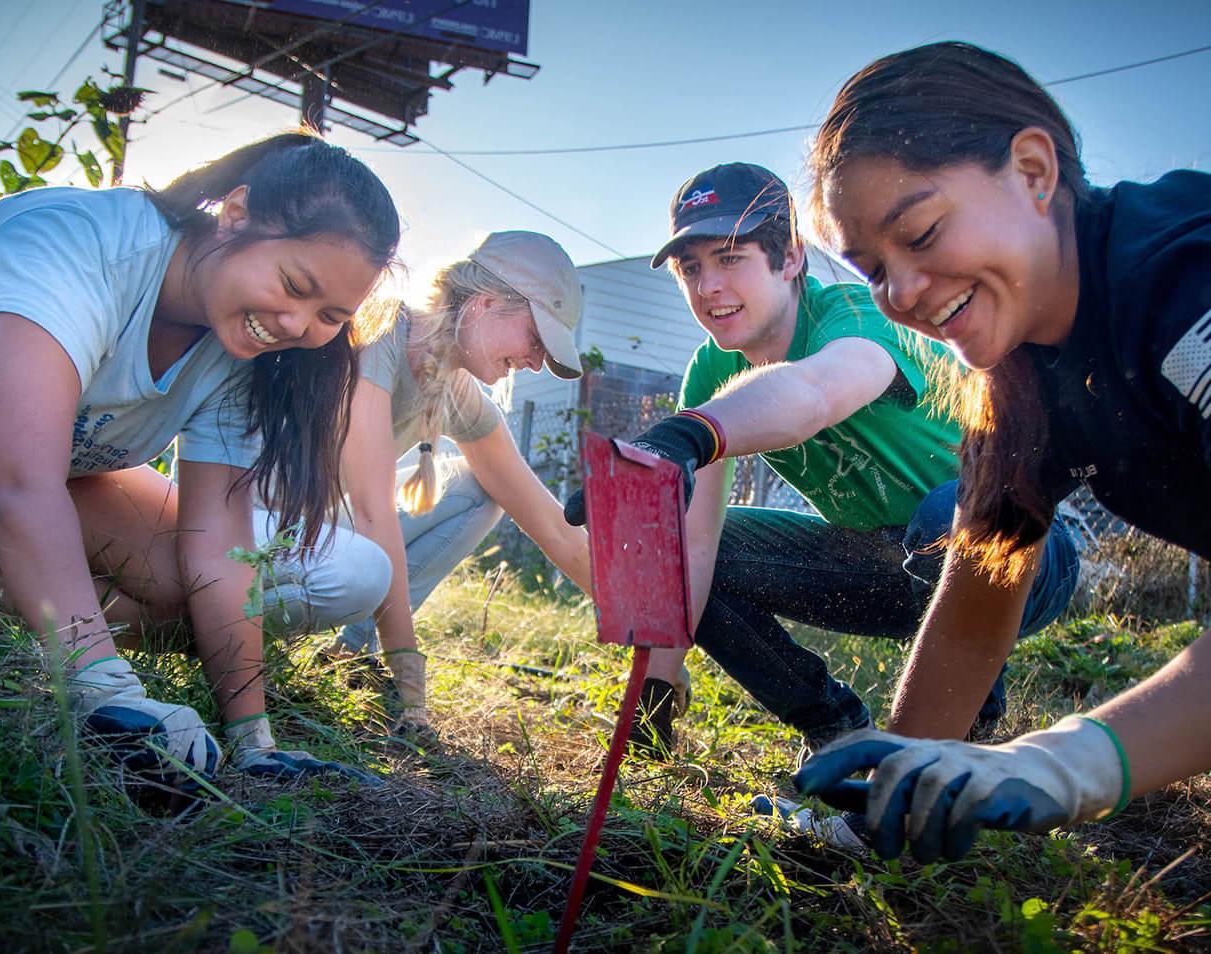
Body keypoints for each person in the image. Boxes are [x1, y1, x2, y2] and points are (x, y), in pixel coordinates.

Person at [793, 40, 1211, 863]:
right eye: (872, 269)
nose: (902, 294)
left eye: (920, 232)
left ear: (1032, 170)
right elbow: (974, 618)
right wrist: (887, 802)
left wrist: (1065, 764)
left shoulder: (1181, 283)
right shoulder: (1019, 381)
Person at [565, 162, 1079, 758]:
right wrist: (652, 691)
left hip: (1014, 547)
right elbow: (697, 548)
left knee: (948, 515)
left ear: (790, 260)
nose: (707, 287)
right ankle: (836, 729)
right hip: (878, 563)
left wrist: (689, 434)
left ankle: (960, 732)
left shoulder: (857, 315)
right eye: (691, 268)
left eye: (730, 259)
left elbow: (812, 394)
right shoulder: (710, 371)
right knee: (689, 549)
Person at [0, 130, 398, 794]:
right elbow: (20, 483)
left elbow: (217, 551)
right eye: (294, 285)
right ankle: (42, 625)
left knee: (180, 588)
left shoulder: (242, 345)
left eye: (330, 314)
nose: (298, 325)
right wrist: (107, 690)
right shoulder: (81, 244)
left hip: (54, 476)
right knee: (97, 593)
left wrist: (254, 742)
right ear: (236, 213)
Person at [253, 231, 592, 732]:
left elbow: (555, 528)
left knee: (482, 489)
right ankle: (240, 632)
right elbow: (373, 511)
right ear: (484, 305)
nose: (536, 362)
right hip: (251, 532)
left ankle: (350, 655)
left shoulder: (456, 386)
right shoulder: (382, 329)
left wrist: (642, 619)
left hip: (313, 532)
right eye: (535, 339)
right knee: (366, 551)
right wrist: (409, 669)